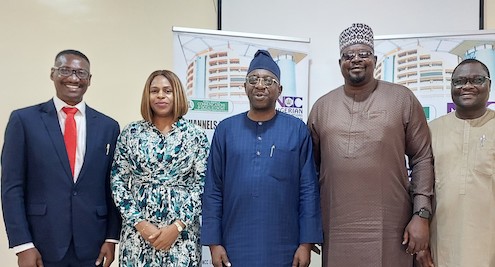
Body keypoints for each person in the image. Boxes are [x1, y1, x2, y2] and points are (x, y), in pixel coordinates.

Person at [307, 23, 434, 266]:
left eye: (363, 54)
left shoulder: (402, 98)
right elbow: (309, 171)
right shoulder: (322, 107)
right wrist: (308, 225)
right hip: (336, 225)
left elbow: (422, 158)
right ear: (340, 63)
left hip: (392, 226)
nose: (356, 60)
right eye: (348, 55)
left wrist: (421, 214)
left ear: (375, 59)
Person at [201, 49, 322, 267]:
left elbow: (308, 189)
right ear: (244, 87)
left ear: (280, 90)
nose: (260, 85)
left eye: (268, 80)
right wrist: (213, 243)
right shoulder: (225, 130)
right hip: (234, 243)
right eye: (253, 79)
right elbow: (213, 190)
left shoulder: (297, 130)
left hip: (285, 244)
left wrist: (306, 243)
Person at [418, 58, 495, 267]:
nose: (467, 86)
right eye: (459, 81)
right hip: (442, 254)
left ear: (489, 85)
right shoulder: (432, 131)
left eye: (477, 79)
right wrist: (421, 245)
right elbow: (420, 191)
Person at [1, 49, 121, 266]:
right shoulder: (23, 120)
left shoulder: (108, 127)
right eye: (66, 70)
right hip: (41, 243)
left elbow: (112, 186)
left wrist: (111, 238)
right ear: (52, 74)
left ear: (90, 80)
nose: (74, 78)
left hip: (93, 244)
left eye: (81, 73)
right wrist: (22, 244)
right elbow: (11, 187)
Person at [110, 70, 209, 266]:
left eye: (167, 91)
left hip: (182, 235)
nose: (161, 96)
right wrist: (140, 224)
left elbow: (202, 184)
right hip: (138, 233)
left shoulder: (196, 135)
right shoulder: (131, 132)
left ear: (177, 94)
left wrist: (178, 226)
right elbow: (117, 180)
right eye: (154, 91)